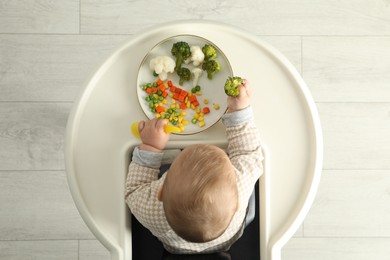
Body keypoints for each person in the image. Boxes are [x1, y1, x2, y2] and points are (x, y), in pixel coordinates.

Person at [125, 80, 263, 255]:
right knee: (249, 214)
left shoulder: (149, 209)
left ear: (160, 193)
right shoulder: (240, 185)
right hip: (229, 235)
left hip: (175, 247)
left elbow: (134, 190)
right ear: (236, 203)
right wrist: (238, 110)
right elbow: (248, 151)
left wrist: (151, 147)